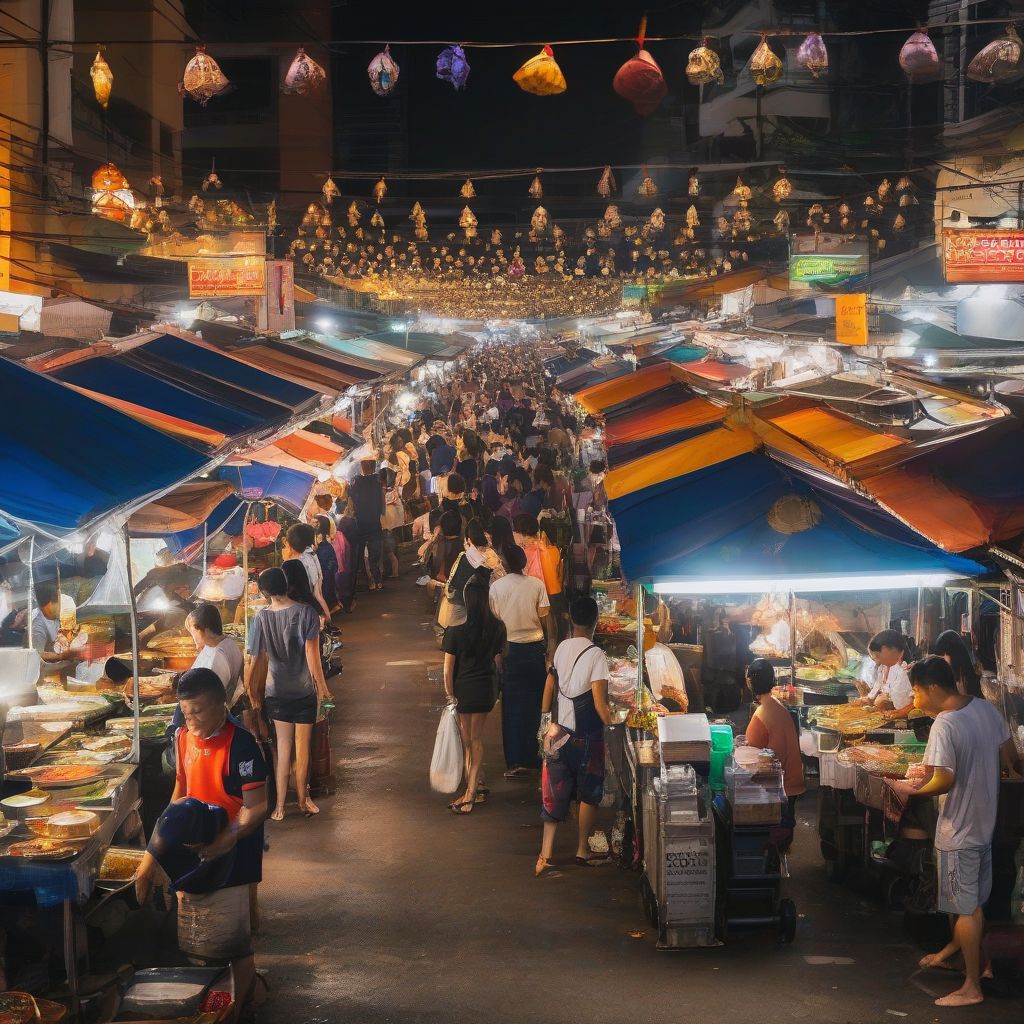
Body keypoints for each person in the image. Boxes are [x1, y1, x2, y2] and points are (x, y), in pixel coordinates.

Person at [134, 667, 268, 1016]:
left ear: (222, 705)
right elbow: (181, 791)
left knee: (232, 941)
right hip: (197, 840)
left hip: (236, 845)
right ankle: (216, 1002)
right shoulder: (182, 737)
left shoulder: (242, 744)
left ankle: (240, 1008)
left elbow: (257, 807)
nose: (192, 719)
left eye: (200, 711)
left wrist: (227, 839)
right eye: (186, 711)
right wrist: (160, 848)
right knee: (198, 935)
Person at [892, 656, 1020, 1008]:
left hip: (958, 829)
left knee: (965, 909)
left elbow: (945, 778)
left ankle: (971, 987)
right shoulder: (985, 709)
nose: (915, 699)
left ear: (933, 688)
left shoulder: (945, 724)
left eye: (916, 691)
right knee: (973, 904)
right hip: (984, 825)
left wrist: (909, 790)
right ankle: (980, 965)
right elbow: (1009, 756)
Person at [536, 596, 611, 876]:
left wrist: (544, 721)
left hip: (557, 733)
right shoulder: (596, 655)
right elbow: (600, 703)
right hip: (586, 735)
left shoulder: (562, 648)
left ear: (571, 617)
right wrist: (614, 722)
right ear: (596, 621)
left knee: (555, 790)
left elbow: (549, 685)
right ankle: (582, 849)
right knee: (588, 791)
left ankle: (546, 853)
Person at [247, 567, 330, 821]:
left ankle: (280, 806)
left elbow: (255, 659)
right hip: (303, 690)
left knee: (283, 749)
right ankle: (304, 801)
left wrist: (252, 692)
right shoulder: (307, 613)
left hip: (276, 691)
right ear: (286, 583)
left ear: (264, 592)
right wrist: (323, 689)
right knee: (302, 748)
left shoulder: (260, 618)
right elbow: (312, 656)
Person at [488, 545, 556, 779]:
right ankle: (535, 758)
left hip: (510, 650)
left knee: (512, 707)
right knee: (536, 704)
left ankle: (515, 761)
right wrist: (550, 649)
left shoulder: (496, 587)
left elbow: (495, 620)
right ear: (524, 562)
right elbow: (545, 617)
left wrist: (496, 654)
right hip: (534, 649)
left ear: (506, 564)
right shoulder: (536, 584)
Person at [442, 577, 506, 815]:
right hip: (485, 688)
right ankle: (474, 785)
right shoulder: (497, 627)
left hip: (464, 689)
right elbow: (498, 662)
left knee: (470, 740)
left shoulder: (457, 629)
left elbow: (448, 668)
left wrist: (449, 694)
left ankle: (470, 793)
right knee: (473, 740)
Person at [744, 658, 806, 853]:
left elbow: (755, 755)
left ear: (750, 683)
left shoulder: (762, 713)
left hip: (779, 788)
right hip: (792, 782)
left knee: (774, 841)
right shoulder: (777, 706)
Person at [349, 458, 385, 592]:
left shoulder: (357, 482)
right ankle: (378, 580)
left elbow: (352, 495)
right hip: (375, 522)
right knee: (375, 553)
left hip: (362, 523)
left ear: (365, 466)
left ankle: (370, 580)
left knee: (362, 554)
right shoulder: (378, 481)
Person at [857, 629, 913, 714]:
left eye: (878, 655)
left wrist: (901, 712)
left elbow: (918, 702)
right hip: (891, 711)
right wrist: (869, 698)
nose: (877, 659)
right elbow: (879, 684)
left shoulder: (909, 671)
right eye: (875, 657)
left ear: (891, 649)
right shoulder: (884, 666)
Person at [283, 523, 331, 620]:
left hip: (302, 609)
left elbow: (313, 594)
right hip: (311, 605)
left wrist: (323, 615)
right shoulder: (311, 554)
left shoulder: (295, 562)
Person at [933, 630, 982, 698]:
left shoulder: (966, 679)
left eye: (943, 656)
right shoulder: (948, 676)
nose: (941, 661)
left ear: (953, 655)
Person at [313, 515, 340, 612]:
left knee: (327, 585)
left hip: (325, 564)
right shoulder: (325, 540)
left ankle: (331, 606)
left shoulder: (321, 539)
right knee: (329, 584)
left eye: (315, 522)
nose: (313, 524)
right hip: (327, 564)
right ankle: (333, 604)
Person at [29, 582, 62, 660]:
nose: (60, 605)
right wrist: (64, 655)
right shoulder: (37, 627)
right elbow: (38, 655)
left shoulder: (64, 605)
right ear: (48, 605)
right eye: (57, 602)